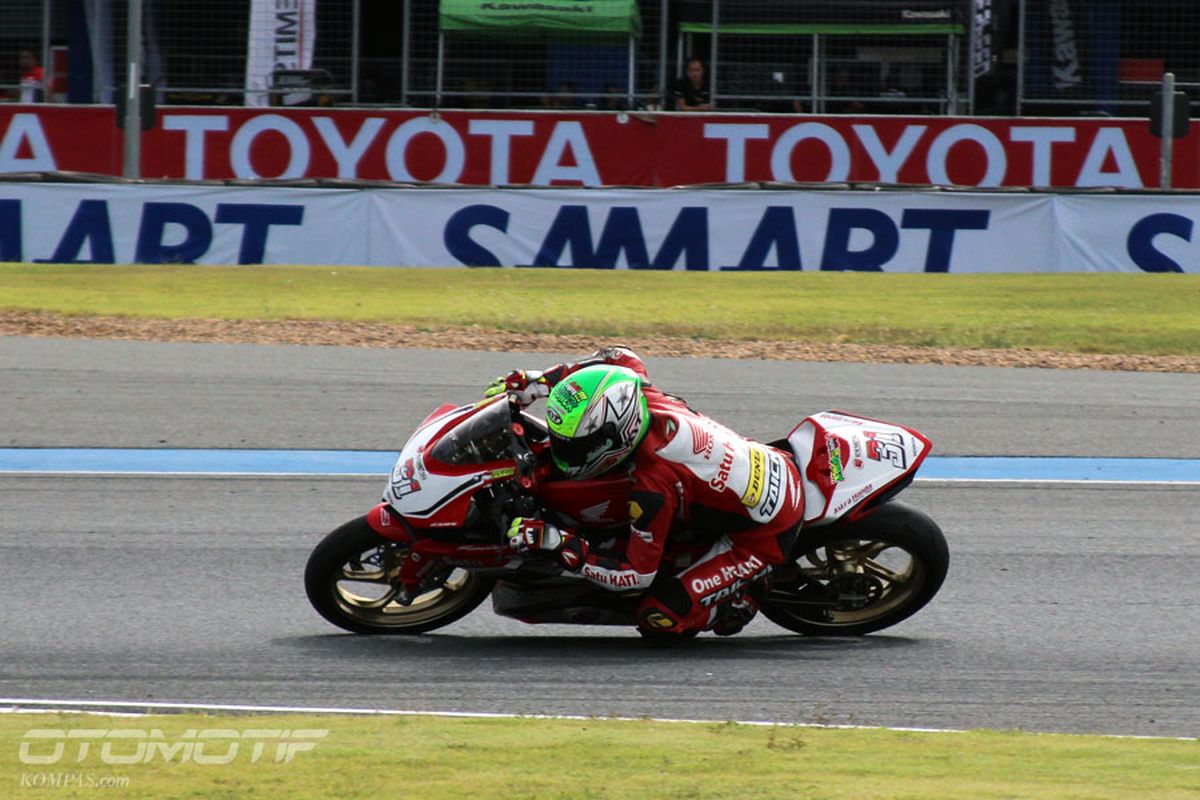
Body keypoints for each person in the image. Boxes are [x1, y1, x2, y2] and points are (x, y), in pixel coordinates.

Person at [484, 346, 805, 636]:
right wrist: (536, 382)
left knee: (658, 617)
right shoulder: (633, 385)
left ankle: (742, 598)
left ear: (617, 439)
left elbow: (635, 575)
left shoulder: (652, 486)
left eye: (576, 448)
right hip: (760, 465)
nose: (561, 454)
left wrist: (560, 542)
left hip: (763, 534)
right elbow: (615, 356)